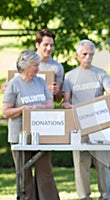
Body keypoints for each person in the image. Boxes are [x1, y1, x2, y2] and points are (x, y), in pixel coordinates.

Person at [61, 39, 110, 200]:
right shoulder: (70, 76)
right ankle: (84, 197)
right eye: (84, 54)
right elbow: (66, 100)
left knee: (103, 165)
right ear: (77, 55)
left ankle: (105, 196)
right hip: (79, 126)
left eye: (91, 54)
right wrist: (66, 105)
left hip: (100, 126)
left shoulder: (100, 73)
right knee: (81, 165)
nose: (88, 57)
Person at [2, 50, 60, 200]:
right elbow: (6, 112)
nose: (38, 68)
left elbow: (51, 105)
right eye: (35, 65)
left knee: (45, 173)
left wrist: (39, 107)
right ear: (25, 66)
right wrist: (22, 109)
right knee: (24, 175)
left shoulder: (40, 82)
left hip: (41, 135)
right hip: (20, 136)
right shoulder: (13, 84)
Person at [1, 29, 64, 103]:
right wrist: (5, 88)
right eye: (46, 45)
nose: (49, 48)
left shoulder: (57, 67)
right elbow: (5, 87)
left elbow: (58, 100)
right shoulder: (22, 62)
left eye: (51, 45)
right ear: (37, 45)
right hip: (22, 107)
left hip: (43, 109)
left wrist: (56, 92)